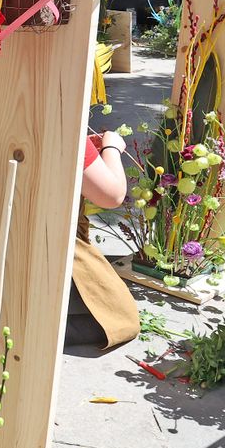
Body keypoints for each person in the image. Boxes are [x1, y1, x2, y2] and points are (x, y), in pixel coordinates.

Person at [66, 129, 137, 349]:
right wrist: (111, 148)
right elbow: (111, 195)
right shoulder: (65, 117)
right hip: (48, 243)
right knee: (122, 319)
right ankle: (42, 330)